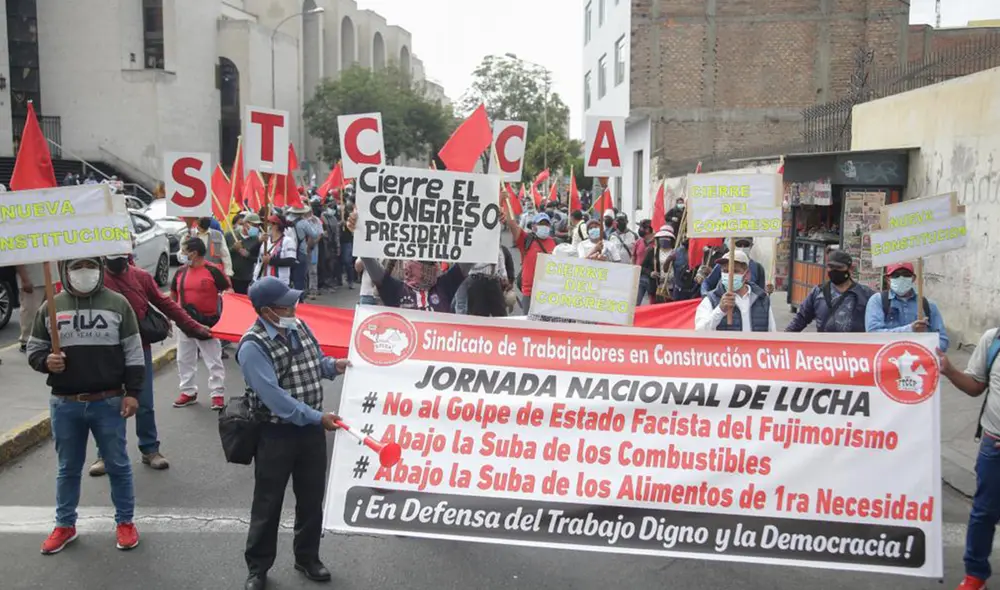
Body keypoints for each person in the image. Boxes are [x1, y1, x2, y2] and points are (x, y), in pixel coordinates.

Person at [27, 257, 143, 554]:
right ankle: (65, 525)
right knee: (68, 468)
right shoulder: (50, 306)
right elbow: (34, 349)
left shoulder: (118, 304)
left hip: (108, 401)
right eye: (76, 266)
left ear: (100, 268)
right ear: (65, 270)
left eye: (89, 264)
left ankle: (125, 523)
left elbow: (133, 352)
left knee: (118, 465)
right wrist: (45, 362)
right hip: (66, 404)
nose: (83, 271)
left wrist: (133, 393)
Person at [237, 277, 347, 590]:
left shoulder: (299, 327)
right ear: (267, 311)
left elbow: (315, 363)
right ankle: (257, 568)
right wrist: (318, 417)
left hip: (311, 432)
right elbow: (277, 400)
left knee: (312, 500)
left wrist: (334, 365)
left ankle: (307, 558)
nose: (293, 307)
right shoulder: (252, 346)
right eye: (286, 304)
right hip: (277, 434)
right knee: (268, 504)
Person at [88, 254, 214, 475]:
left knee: (143, 402)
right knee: (108, 404)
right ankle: (105, 454)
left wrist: (194, 327)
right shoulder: (94, 279)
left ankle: (150, 449)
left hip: (138, 350)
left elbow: (166, 304)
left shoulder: (141, 278)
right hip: (106, 352)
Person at [940, 329, 1000, 590]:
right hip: (993, 445)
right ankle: (975, 575)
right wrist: (949, 370)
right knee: (983, 513)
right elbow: (976, 386)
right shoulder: (993, 339)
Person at [171, 238, 228, 410]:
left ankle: (217, 394)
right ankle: (188, 391)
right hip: (184, 323)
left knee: (213, 359)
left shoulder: (213, 271)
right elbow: (173, 294)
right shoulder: (181, 272)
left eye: (184, 250)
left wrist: (225, 320)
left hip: (207, 324)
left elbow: (228, 292)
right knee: (184, 359)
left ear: (193, 253)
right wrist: (172, 315)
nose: (181, 254)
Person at [865, 262, 949, 351]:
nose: (901, 278)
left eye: (906, 275)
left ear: (913, 278)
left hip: (919, 361)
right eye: (896, 275)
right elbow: (873, 335)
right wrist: (910, 329)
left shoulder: (927, 305)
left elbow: (943, 340)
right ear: (888, 279)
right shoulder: (878, 301)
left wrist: (923, 346)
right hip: (888, 360)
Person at [786, 249, 875, 333]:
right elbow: (801, 318)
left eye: (839, 267)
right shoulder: (818, 292)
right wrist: (781, 339)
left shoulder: (865, 295)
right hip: (825, 347)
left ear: (850, 269)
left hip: (854, 347)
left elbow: (876, 324)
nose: (834, 271)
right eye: (831, 267)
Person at [695, 250, 776, 332]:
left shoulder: (762, 299)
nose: (730, 276)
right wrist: (720, 310)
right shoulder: (710, 300)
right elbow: (700, 331)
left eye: (735, 271)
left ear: (747, 274)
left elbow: (772, 334)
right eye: (726, 271)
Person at [361, 258, 471, 312]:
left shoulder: (444, 286)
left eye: (431, 262)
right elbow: (371, 265)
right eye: (421, 261)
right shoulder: (396, 290)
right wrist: (359, 231)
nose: (430, 266)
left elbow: (470, 259)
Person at [504, 211, 557, 314]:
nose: (544, 227)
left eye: (546, 224)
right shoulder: (525, 239)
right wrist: (506, 201)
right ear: (533, 226)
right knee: (529, 325)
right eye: (541, 224)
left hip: (549, 292)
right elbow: (512, 223)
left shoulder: (555, 242)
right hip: (529, 291)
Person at [700, 239, 767, 295]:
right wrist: (706, 296)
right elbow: (707, 283)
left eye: (746, 245)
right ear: (733, 244)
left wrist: (767, 292)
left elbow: (761, 293)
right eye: (739, 244)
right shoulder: (723, 264)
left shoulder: (758, 268)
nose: (742, 247)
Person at [254, 216, 298, 286]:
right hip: (261, 280)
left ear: (276, 226)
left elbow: (291, 261)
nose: (268, 226)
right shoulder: (266, 240)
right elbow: (253, 254)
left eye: (270, 224)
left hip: (279, 282)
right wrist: (259, 242)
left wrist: (271, 261)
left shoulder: (288, 241)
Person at [285, 205, 320, 293]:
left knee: (287, 277)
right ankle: (299, 299)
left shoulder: (285, 220)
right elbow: (315, 234)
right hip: (300, 252)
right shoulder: (303, 222)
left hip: (287, 251)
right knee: (299, 278)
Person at [16, 263, 47, 353]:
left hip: (51, 276)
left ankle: (45, 339)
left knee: (48, 312)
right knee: (30, 312)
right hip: (33, 279)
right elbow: (18, 259)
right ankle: (26, 341)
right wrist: (25, 279)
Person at [229, 214, 264, 295]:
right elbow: (223, 255)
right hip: (231, 277)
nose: (256, 227)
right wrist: (234, 248)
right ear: (245, 223)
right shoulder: (230, 235)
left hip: (247, 278)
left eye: (258, 225)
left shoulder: (257, 239)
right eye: (254, 225)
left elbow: (259, 259)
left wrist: (247, 255)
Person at [641, 226, 677, 304]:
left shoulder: (676, 252)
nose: (664, 240)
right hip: (656, 288)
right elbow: (642, 267)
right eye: (661, 237)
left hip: (673, 289)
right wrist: (651, 273)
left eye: (667, 237)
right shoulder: (652, 251)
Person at [633, 220, 655, 304]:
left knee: (652, 304)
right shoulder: (638, 242)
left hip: (652, 278)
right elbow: (633, 257)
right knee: (635, 303)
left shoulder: (657, 242)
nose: (640, 229)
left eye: (642, 227)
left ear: (649, 229)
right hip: (639, 276)